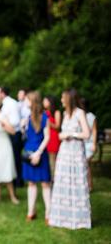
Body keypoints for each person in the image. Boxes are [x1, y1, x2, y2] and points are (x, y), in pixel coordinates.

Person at [49, 89, 91, 230]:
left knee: (76, 182)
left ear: (69, 98)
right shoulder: (65, 114)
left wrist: (71, 134)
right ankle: (63, 217)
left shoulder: (79, 113)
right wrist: (62, 135)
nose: (61, 100)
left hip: (76, 152)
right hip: (65, 152)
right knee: (63, 182)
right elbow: (62, 133)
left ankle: (79, 218)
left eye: (63, 97)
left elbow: (86, 133)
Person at [22, 92, 51, 223]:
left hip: (40, 152)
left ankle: (48, 214)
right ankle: (31, 211)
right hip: (29, 152)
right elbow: (26, 136)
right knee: (31, 183)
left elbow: (47, 137)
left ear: (33, 102)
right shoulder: (27, 118)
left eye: (27, 100)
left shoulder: (45, 118)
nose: (25, 102)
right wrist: (23, 127)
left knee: (45, 183)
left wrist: (38, 153)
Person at [0, 86, 23, 187]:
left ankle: (18, 181)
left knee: (16, 158)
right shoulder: (5, 104)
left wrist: (4, 123)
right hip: (8, 133)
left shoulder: (11, 103)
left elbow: (15, 121)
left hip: (14, 133)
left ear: (2, 93)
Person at [79, 98, 97, 191]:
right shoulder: (78, 116)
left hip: (89, 144)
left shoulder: (91, 117)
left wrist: (94, 144)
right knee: (83, 165)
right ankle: (84, 184)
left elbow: (94, 131)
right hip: (80, 144)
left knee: (86, 164)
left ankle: (89, 186)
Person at [43, 96, 61, 178]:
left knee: (53, 160)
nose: (43, 102)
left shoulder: (56, 112)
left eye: (45, 101)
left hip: (53, 137)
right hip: (45, 137)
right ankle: (49, 177)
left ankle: (54, 178)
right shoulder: (43, 112)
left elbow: (57, 126)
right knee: (47, 160)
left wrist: (49, 123)